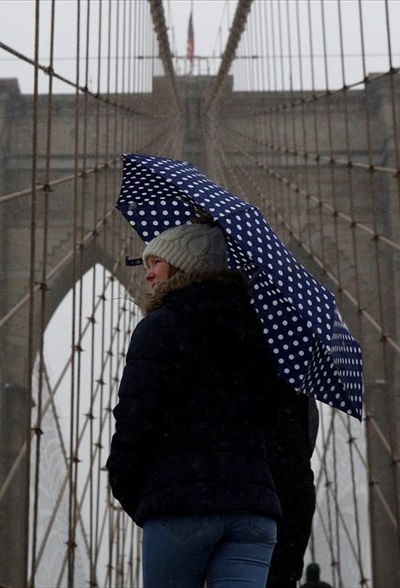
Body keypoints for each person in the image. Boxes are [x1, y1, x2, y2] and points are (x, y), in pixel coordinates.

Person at [106, 221, 283, 588]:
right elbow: (276, 423)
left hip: (181, 507)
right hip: (252, 513)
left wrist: (132, 490)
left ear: (182, 266)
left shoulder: (159, 328)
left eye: (157, 262)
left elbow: (135, 418)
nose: (148, 273)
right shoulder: (261, 334)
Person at [265, 391, 319, 588]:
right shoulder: (300, 380)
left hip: (255, 494)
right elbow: (310, 437)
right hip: (295, 489)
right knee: (283, 574)